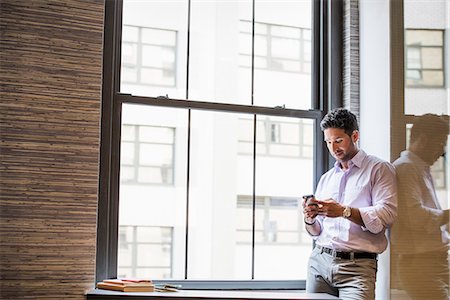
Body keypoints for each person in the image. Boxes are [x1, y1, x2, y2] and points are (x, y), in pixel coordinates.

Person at [302, 108, 397, 300]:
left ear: (355, 136)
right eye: (328, 142)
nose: (333, 148)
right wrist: (310, 219)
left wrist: (343, 211)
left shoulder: (379, 169)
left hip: (358, 269)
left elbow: (386, 215)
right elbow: (317, 231)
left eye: (338, 140)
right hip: (319, 263)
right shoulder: (326, 179)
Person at [391, 114, 449, 299]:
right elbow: (414, 217)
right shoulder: (406, 169)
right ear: (423, 140)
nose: (442, 152)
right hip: (421, 265)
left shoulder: (419, 168)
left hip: (435, 262)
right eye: (440, 144)